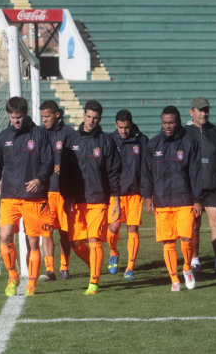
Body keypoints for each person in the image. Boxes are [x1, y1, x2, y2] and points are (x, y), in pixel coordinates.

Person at [0, 96, 54, 296]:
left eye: (19, 117)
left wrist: (40, 179)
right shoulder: (2, 138)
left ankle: (31, 284)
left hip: (34, 198)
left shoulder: (39, 134)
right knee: (5, 235)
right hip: (10, 196)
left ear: (26, 114)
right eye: (12, 117)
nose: (16, 121)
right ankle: (13, 276)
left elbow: (49, 161)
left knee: (33, 242)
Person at [59, 100, 121, 295]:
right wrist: (67, 196)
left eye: (95, 118)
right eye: (88, 116)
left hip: (98, 199)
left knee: (94, 240)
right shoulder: (71, 139)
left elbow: (114, 173)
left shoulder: (106, 141)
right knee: (76, 243)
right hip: (76, 200)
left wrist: (116, 200)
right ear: (83, 115)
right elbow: (66, 172)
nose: (91, 121)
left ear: (100, 119)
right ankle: (95, 264)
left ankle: (93, 282)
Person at [141, 105, 203, 292]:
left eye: (171, 122)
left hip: (184, 200)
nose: (167, 126)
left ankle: (186, 268)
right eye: (165, 123)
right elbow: (146, 174)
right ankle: (174, 280)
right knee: (168, 242)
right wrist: (148, 197)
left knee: (186, 237)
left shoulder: (189, 142)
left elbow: (196, 173)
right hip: (162, 200)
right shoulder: (152, 145)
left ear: (177, 121)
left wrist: (198, 199)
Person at [184, 97, 216, 276]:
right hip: (191, 188)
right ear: (192, 112)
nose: (204, 113)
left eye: (206, 110)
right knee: (194, 226)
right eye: (200, 110)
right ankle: (195, 260)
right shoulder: (184, 133)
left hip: (213, 186)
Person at [106, 109, 148, 281]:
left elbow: (146, 168)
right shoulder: (109, 140)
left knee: (133, 228)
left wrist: (147, 192)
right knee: (113, 227)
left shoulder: (141, 141)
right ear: (116, 125)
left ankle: (130, 267)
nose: (124, 131)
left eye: (127, 128)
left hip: (134, 193)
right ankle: (113, 252)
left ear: (131, 125)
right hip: (115, 194)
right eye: (121, 127)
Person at [38, 100, 74, 281]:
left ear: (57, 115)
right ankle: (50, 269)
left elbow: (77, 161)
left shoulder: (69, 134)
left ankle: (64, 267)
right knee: (47, 230)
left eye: (47, 116)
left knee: (65, 233)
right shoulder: (40, 134)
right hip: (46, 192)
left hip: (64, 191)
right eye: (42, 117)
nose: (44, 120)